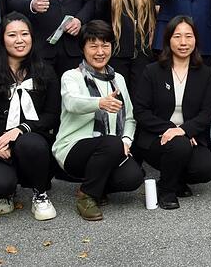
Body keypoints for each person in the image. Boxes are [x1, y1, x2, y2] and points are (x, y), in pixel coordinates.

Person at [0, 12, 59, 220]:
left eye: (24, 34)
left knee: (31, 144)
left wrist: (21, 129)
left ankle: (39, 193)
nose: (19, 40)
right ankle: (7, 191)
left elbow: (52, 115)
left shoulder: (45, 72)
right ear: (1, 40)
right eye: (12, 35)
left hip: (32, 140)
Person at [53, 20, 144, 221]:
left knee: (134, 177)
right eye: (93, 46)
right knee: (111, 142)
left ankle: (93, 185)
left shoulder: (117, 79)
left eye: (105, 45)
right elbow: (71, 103)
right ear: (83, 49)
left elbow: (129, 117)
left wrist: (127, 141)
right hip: (73, 149)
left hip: (109, 150)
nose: (100, 51)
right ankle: (87, 196)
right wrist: (99, 103)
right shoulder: (72, 76)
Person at [132, 16, 211, 209]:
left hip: (190, 136)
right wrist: (173, 130)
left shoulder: (204, 73)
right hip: (156, 138)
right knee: (179, 145)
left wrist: (185, 130)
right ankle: (167, 190)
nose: (183, 42)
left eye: (188, 36)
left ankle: (177, 179)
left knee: (206, 169)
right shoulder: (152, 71)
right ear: (168, 40)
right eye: (177, 36)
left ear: (195, 40)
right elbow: (141, 111)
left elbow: (207, 112)